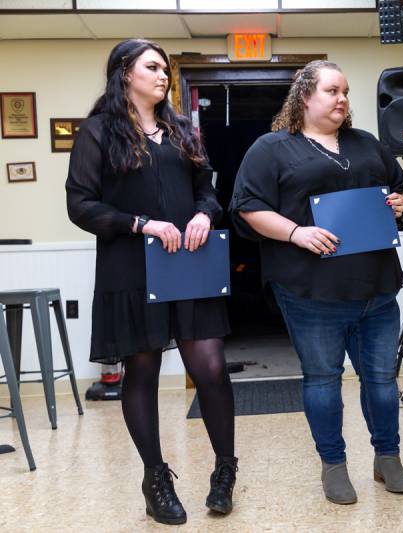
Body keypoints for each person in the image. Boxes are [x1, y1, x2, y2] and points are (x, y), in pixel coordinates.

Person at [65, 39, 237, 525]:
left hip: (188, 264)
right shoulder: (98, 132)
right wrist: (141, 223)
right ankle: (155, 478)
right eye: (153, 67)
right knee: (141, 371)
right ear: (125, 73)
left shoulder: (182, 129)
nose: (163, 75)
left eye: (164, 68)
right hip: (131, 267)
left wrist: (205, 214)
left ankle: (225, 470)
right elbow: (80, 205)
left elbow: (207, 189)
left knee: (210, 368)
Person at [229, 60, 403, 505]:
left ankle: (387, 457)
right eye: (332, 91)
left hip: (376, 287)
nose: (342, 99)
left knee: (382, 382)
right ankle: (333, 464)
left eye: (345, 91)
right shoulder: (273, 148)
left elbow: (400, 192)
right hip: (310, 292)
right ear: (305, 96)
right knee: (323, 380)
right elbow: (246, 208)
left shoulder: (367, 144)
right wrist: (296, 232)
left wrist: (398, 202)